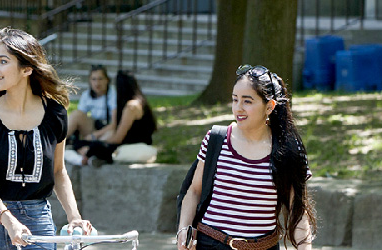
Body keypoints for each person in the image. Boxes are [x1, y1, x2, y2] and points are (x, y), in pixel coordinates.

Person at [0, 27, 93, 249]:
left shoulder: (55, 114)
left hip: (38, 220)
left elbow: (59, 172)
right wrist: (8, 220)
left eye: (3, 61)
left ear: (27, 69)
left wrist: (74, 217)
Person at [177, 65, 316, 250]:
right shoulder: (216, 139)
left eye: (247, 101)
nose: (238, 108)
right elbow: (193, 191)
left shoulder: (288, 149)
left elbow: (297, 211)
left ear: (269, 106)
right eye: (235, 100)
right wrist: (183, 230)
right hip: (210, 243)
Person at [71, 70, 157, 165]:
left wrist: (98, 142)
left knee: (88, 146)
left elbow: (118, 138)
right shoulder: (139, 102)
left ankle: (88, 156)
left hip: (130, 144)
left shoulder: (131, 107)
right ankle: (89, 156)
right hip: (129, 142)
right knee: (85, 144)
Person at [67, 65, 116, 145]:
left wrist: (94, 136)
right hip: (93, 127)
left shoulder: (113, 94)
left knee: (110, 135)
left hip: (108, 130)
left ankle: (91, 148)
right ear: (90, 81)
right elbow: (80, 116)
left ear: (107, 80)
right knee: (76, 114)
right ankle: (59, 141)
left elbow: (114, 124)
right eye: (94, 79)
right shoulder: (86, 95)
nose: (97, 83)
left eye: (100, 79)